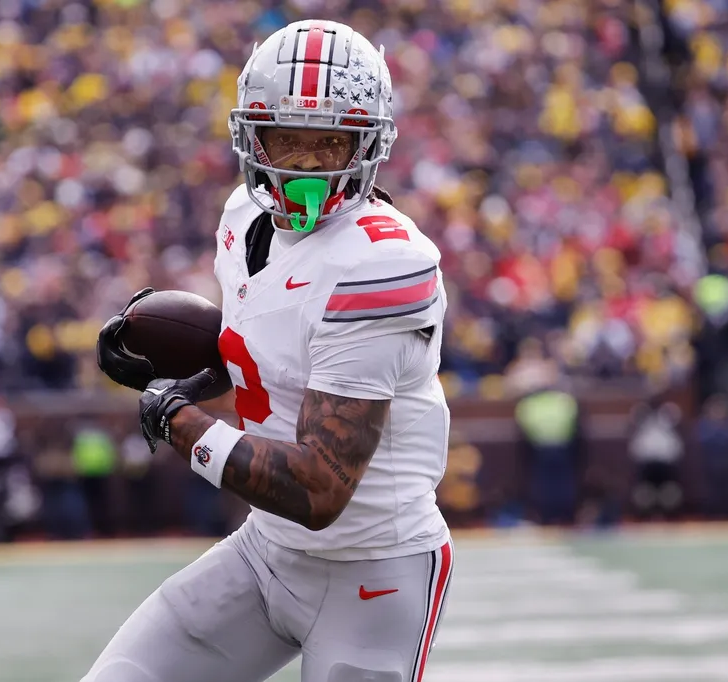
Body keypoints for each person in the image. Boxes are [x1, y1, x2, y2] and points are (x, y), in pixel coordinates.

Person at [87, 20, 454, 682]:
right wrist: (186, 375)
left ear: (370, 141)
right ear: (252, 135)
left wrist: (179, 422)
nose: (307, 164)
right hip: (266, 552)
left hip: (373, 572)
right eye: (287, 138)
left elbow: (318, 489)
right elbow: (274, 355)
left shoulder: (384, 264)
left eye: (329, 142)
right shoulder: (243, 220)